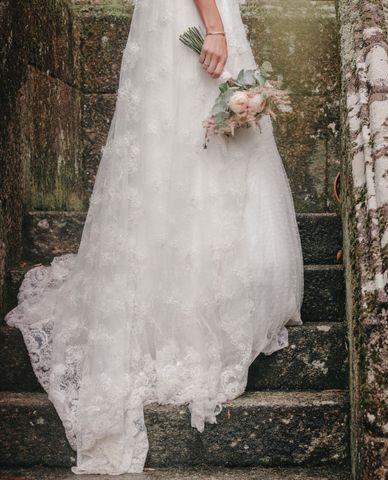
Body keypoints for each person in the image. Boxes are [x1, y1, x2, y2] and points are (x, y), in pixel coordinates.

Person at [4, 0, 304, 474]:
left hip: (178, 16)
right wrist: (215, 27)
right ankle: (203, 297)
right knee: (191, 132)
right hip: (193, 16)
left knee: (179, 142)